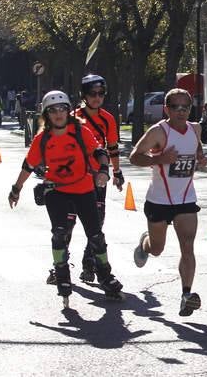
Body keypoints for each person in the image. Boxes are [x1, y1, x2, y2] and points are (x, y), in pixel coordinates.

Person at [7, 91, 123, 307]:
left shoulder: (80, 131)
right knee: (60, 233)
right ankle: (61, 275)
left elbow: (99, 152)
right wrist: (16, 189)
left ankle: (106, 276)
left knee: (95, 235)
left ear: (68, 111)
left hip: (84, 188)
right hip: (57, 191)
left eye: (62, 109)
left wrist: (104, 171)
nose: (58, 114)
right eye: (53, 110)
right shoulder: (42, 139)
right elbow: (28, 165)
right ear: (46, 114)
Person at [129, 88, 207, 317]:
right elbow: (134, 156)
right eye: (176, 107)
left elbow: (197, 151)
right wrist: (159, 158)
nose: (181, 111)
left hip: (186, 199)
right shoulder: (158, 132)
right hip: (159, 201)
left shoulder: (195, 129)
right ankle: (145, 243)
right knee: (157, 249)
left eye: (186, 107)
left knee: (187, 245)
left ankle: (186, 295)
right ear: (167, 109)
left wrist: (201, 159)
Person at [45, 74, 125, 285]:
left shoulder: (107, 118)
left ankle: (90, 264)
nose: (97, 98)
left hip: (98, 177)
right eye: (92, 94)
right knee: (67, 224)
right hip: (74, 179)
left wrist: (116, 172)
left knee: (96, 223)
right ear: (84, 95)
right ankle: (59, 267)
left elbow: (112, 147)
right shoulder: (71, 117)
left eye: (101, 94)